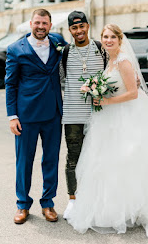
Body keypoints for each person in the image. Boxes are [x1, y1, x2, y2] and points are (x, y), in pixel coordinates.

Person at [66, 24, 148, 238]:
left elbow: (134, 93)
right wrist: (94, 90)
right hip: (108, 118)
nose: (107, 41)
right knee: (107, 163)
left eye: (111, 37)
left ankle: (138, 209)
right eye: (105, 37)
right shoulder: (110, 61)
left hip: (125, 117)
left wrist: (106, 100)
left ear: (119, 39)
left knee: (129, 162)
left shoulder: (124, 62)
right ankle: (113, 209)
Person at [5, 8, 66, 224]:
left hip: (53, 114)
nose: (41, 27)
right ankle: (22, 205)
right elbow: (10, 84)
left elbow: (78, 59)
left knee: (50, 160)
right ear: (31, 24)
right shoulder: (15, 49)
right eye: (37, 23)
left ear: (50, 25)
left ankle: (48, 203)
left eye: (45, 23)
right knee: (24, 161)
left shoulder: (58, 41)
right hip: (26, 115)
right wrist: (12, 116)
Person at [61, 11, 107, 218]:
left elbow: (110, 75)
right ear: (69, 30)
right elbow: (61, 79)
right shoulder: (66, 52)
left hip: (98, 115)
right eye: (74, 28)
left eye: (82, 26)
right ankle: (73, 200)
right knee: (74, 158)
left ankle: (96, 199)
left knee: (98, 158)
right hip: (72, 115)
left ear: (88, 26)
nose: (78, 31)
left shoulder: (100, 49)